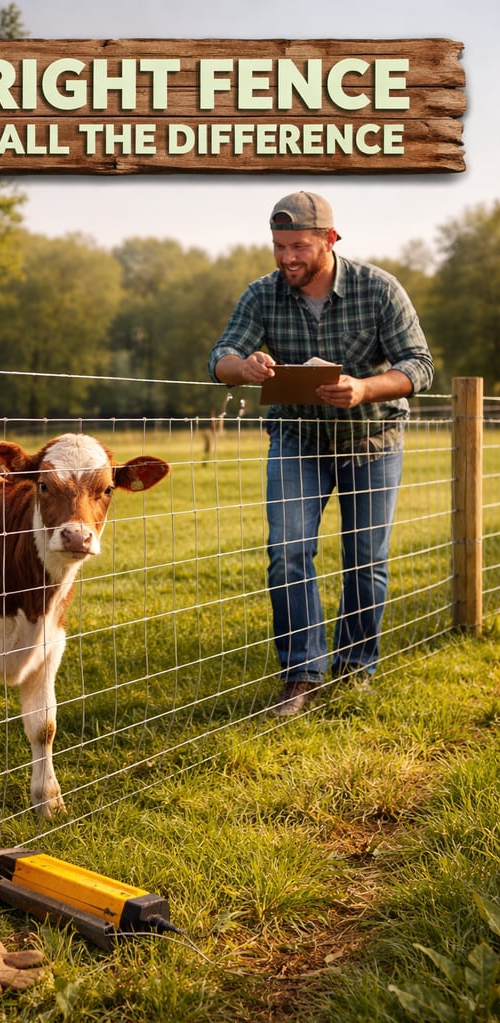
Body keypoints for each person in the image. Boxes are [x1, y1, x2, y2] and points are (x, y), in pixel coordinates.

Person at [208, 191, 434, 717]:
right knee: (287, 552)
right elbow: (221, 355)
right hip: (297, 441)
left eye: (299, 247)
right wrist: (245, 368)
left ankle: (356, 668)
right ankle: (301, 675)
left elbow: (418, 366)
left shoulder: (378, 289)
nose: (287, 257)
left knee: (365, 560)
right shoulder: (262, 295)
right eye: (279, 246)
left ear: (331, 239)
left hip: (371, 441)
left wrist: (365, 389)